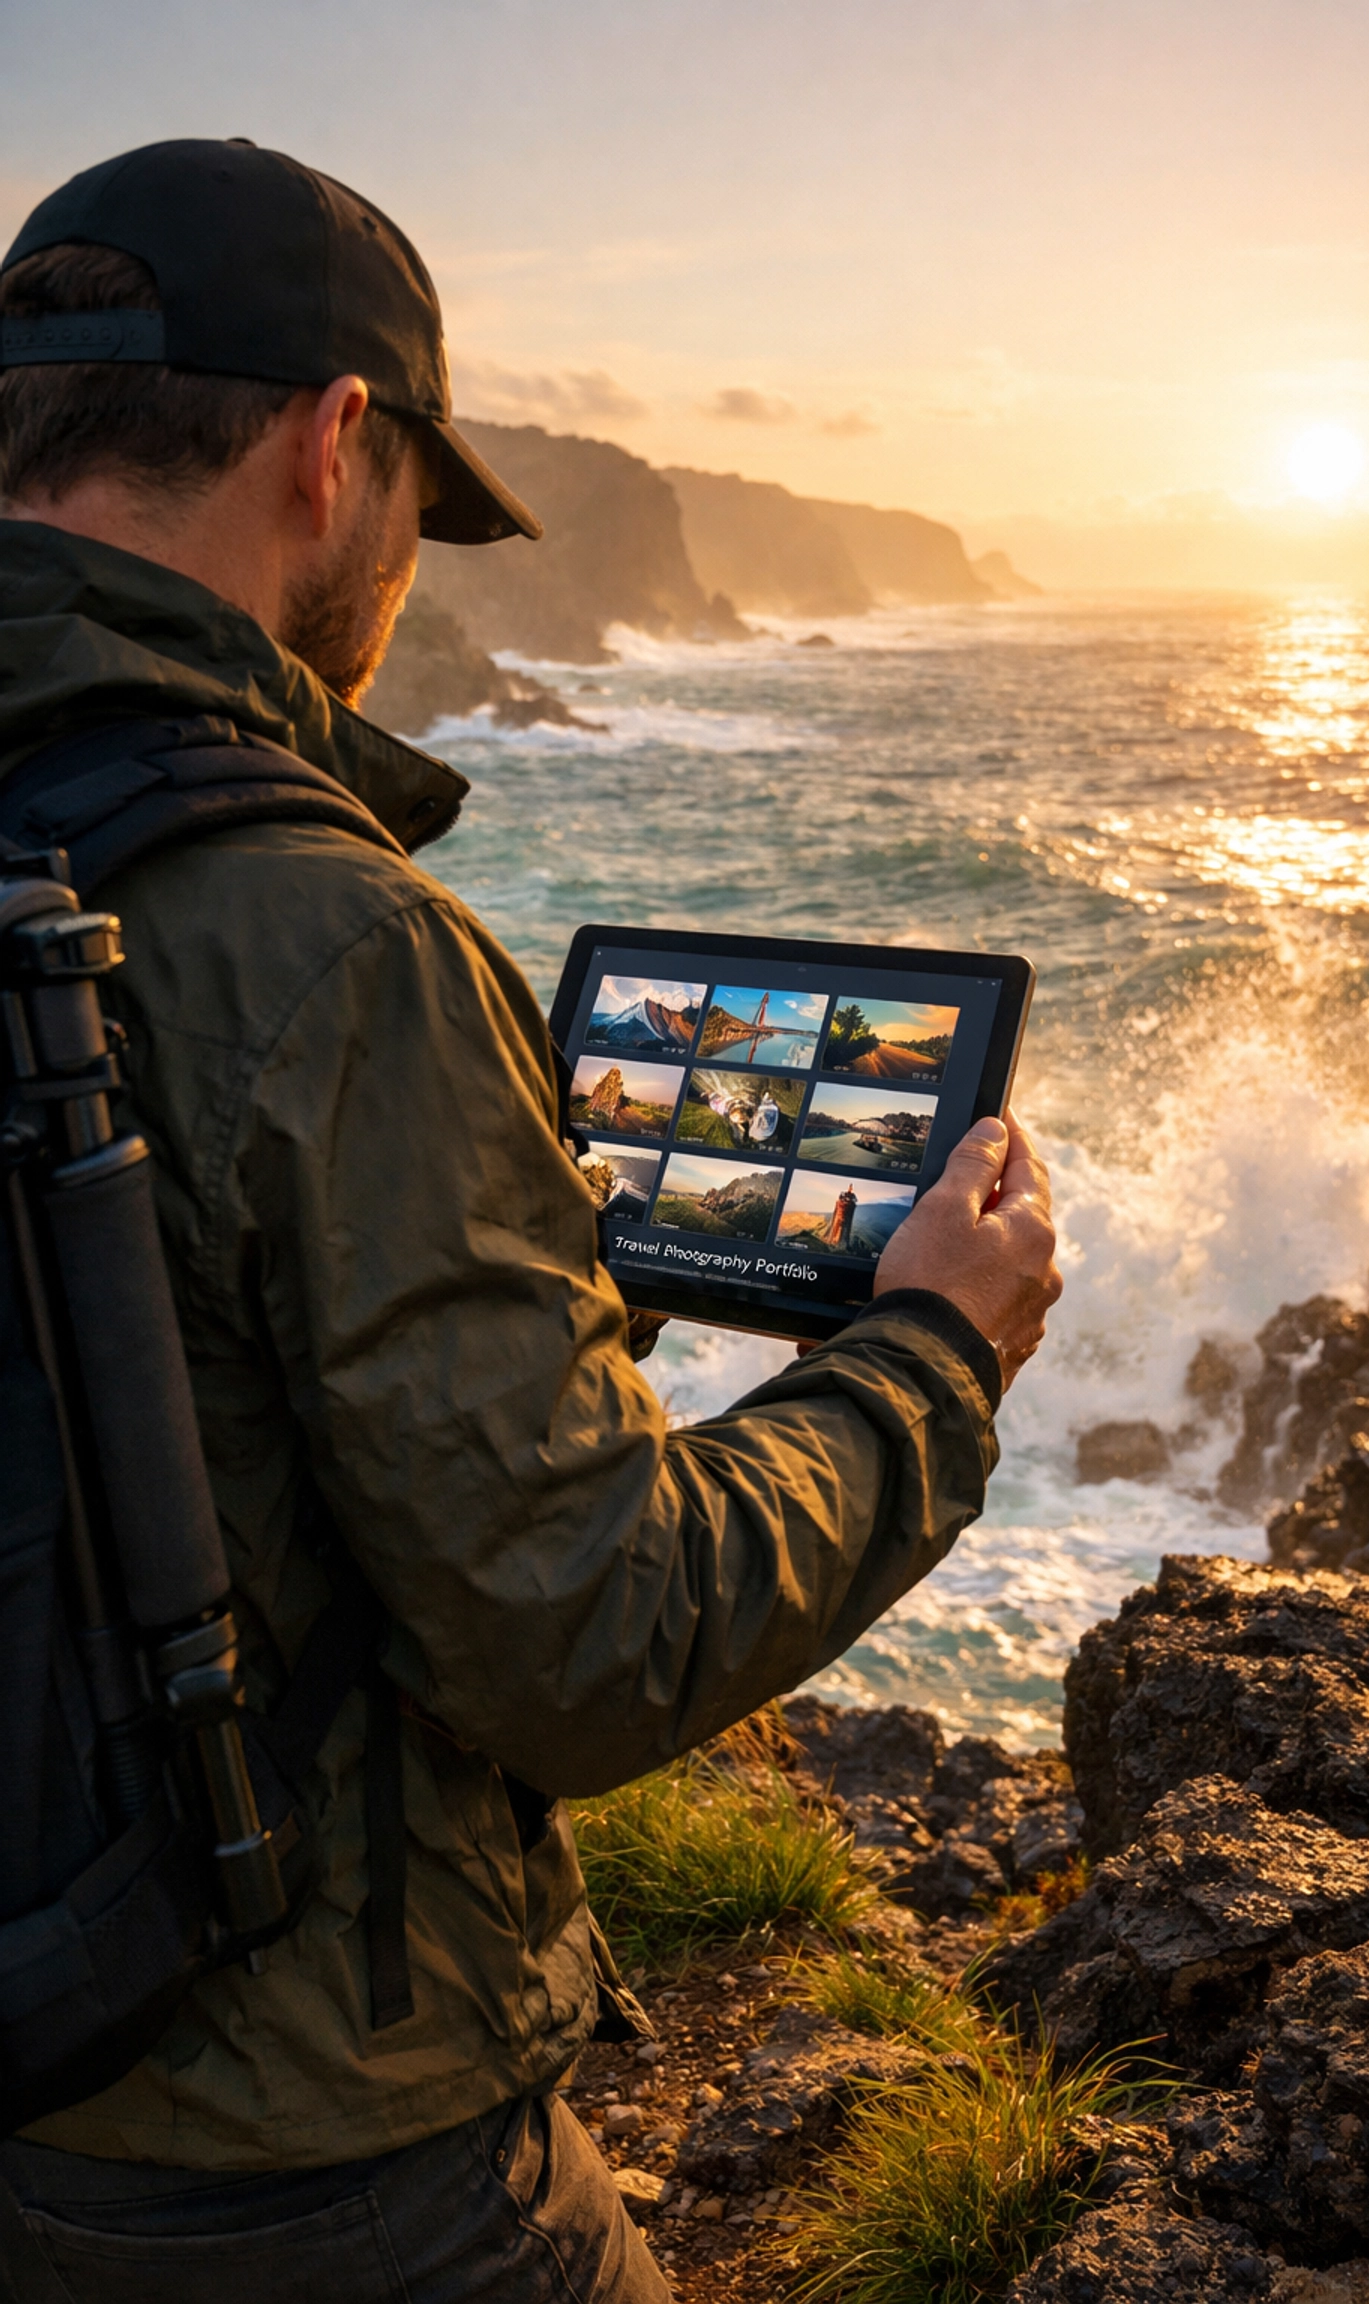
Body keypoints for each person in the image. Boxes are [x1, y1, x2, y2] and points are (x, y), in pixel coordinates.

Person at [0, 141, 1061, 2303]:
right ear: (334, 445)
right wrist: (933, 1355)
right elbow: (594, 1635)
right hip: (289, 2155)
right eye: (416, 503)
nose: (406, 569)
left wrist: (513, 1270)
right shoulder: (330, 942)